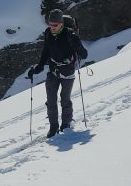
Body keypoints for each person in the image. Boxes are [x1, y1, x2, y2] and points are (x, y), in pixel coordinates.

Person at [27, 9, 88, 137]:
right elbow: (45, 53)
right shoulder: (48, 33)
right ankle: (53, 126)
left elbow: (84, 54)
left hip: (68, 72)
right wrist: (37, 68)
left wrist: (77, 44)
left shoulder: (70, 35)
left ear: (61, 24)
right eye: (50, 24)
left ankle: (65, 125)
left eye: (55, 25)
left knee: (65, 99)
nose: (52, 27)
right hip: (53, 71)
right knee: (51, 101)